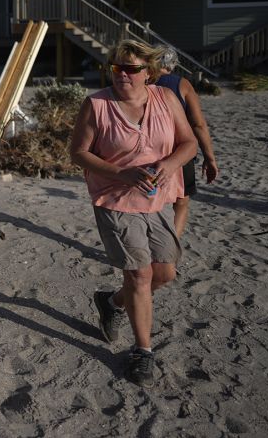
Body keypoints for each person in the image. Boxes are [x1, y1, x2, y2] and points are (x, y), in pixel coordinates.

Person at [69, 39, 197, 386]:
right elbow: (78, 153)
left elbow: (190, 143)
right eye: (117, 68)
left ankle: (111, 302)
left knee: (165, 274)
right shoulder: (96, 105)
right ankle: (143, 351)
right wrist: (120, 172)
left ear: (149, 73)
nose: (123, 74)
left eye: (131, 68)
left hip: (157, 198)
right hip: (114, 198)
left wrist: (169, 165)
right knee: (139, 275)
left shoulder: (166, 99)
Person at [154, 47, 220, 237]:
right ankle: (170, 251)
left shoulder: (141, 81)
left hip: (149, 149)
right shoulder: (181, 84)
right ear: (172, 65)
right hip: (179, 151)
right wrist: (210, 157)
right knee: (181, 202)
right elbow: (198, 124)